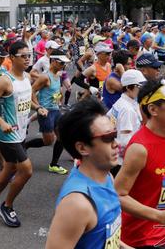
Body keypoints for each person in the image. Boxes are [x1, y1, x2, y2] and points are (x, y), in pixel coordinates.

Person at [114, 79, 165, 248]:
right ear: (153, 109)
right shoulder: (139, 149)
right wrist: (157, 216)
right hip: (142, 239)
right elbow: (118, 195)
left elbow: (159, 173)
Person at [45, 99, 124, 249]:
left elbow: (105, 236)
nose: (117, 143)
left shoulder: (107, 177)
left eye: (115, 134)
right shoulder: (78, 204)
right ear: (82, 148)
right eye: (108, 138)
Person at [0, 41, 44, 227]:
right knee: (27, 170)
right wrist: (1, 122)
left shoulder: (25, 77)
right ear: (12, 58)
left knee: (10, 168)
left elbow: (25, 99)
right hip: (7, 136)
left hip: (20, 133)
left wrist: (38, 107)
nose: (27, 59)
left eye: (29, 55)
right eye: (23, 56)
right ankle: (6, 206)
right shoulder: (4, 80)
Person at [26, 49, 70, 175]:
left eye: (64, 63)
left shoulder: (58, 74)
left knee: (62, 136)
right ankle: (25, 146)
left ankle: (54, 164)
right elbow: (31, 91)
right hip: (46, 112)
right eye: (61, 63)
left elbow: (56, 91)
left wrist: (60, 98)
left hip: (56, 110)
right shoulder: (45, 77)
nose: (64, 65)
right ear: (54, 61)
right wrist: (39, 107)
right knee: (48, 141)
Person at [107, 69, 146, 176]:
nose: (142, 90)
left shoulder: (121, 103)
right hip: (122, 163)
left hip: (114, 158)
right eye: (139, 87)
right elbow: (125, 141)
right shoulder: (127, 109)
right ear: (128, 87)